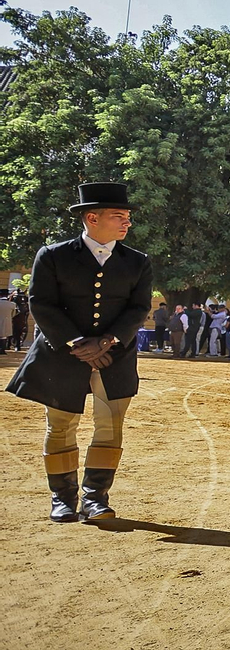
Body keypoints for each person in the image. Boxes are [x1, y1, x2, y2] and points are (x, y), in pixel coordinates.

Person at [5, 182, 153, 522]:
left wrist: (107, 341)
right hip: (63, 353)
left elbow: (138, 308)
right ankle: (62, 498)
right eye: (118, 215)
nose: (127, 222)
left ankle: (95, 498)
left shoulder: (137, 262)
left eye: (127, 216)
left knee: (110, 426)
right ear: (92, 218)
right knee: (60, 425)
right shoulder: (53, 255)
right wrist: (77, 343)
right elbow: (42, 304)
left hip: (115, 355)